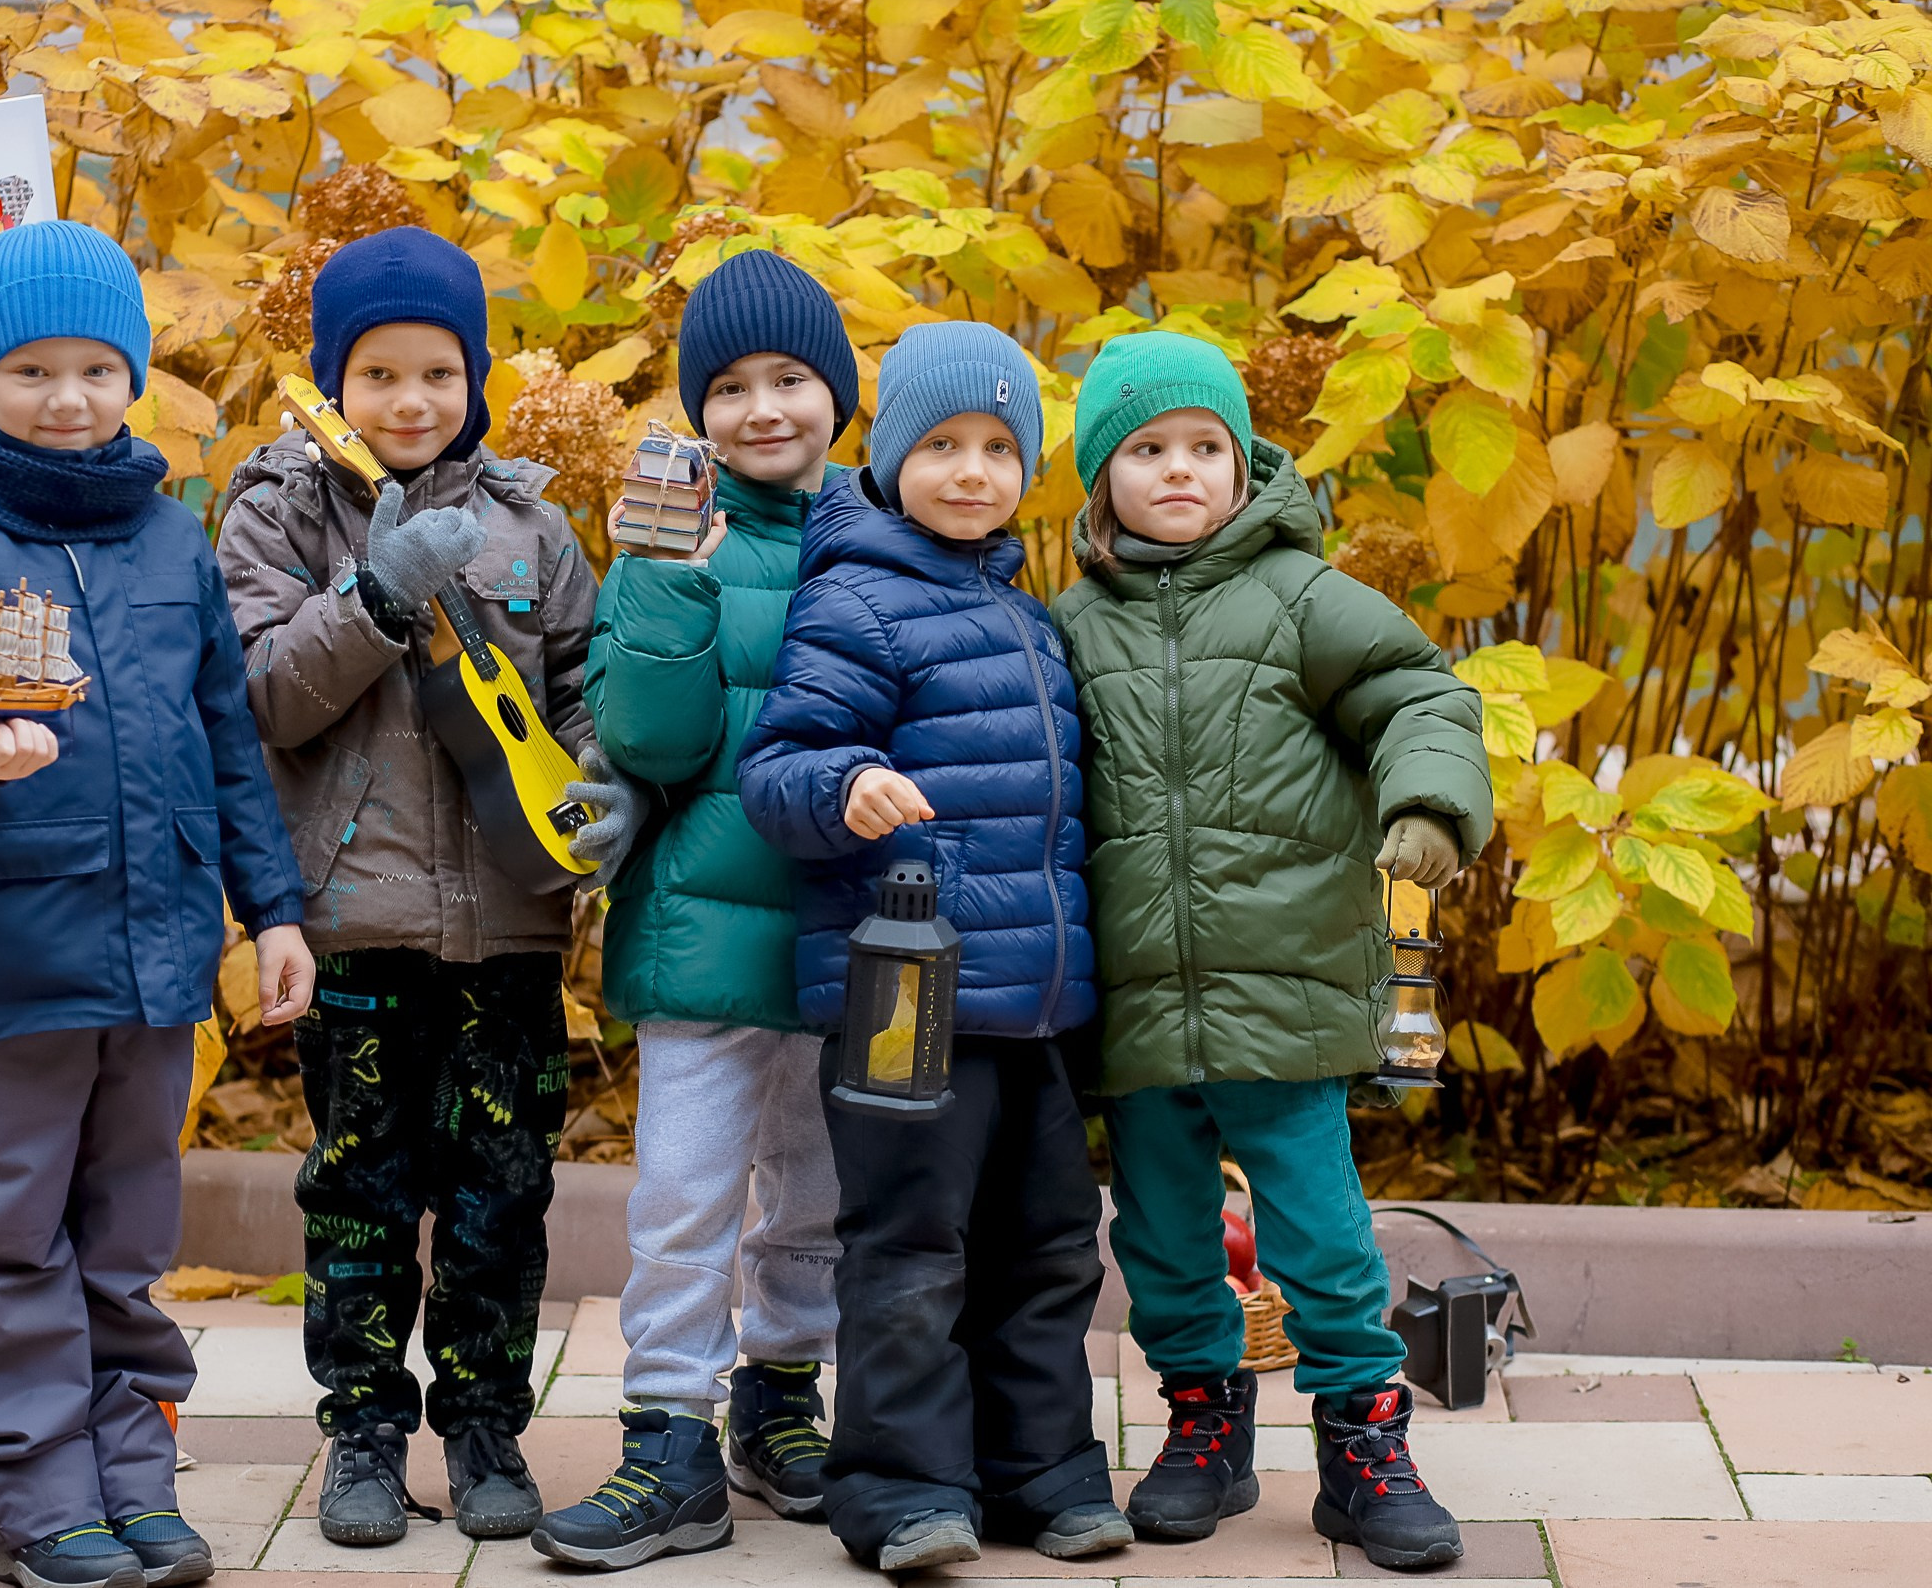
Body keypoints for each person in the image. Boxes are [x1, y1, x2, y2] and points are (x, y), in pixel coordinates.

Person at [0, 219, 312, 1588]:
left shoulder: (172, 535)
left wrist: (270, 909)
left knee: (124, 1237)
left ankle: (130, 1477)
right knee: (4, 1234)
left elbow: (227, 739)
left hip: (160, 956)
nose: (69, 396)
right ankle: (35, 1498)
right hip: (12, 946)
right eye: (33, 369)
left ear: (135, 379)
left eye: (98, 368)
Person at [213, 226, 642, 1548]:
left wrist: (602, 779)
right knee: (358, 1191)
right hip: (356, 925)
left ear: (477, 377)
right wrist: (375, 596)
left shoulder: (529, 522)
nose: (411, 401)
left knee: (503, 1194)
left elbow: (581, 688)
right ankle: (362, 1432)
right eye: (381, 373)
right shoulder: (276, 506)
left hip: (510, 922)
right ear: (336, 379)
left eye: (440, 372)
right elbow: (264, 695)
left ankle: (484, 1422)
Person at [1049, 331, 1494, 1572]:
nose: (1180, 470)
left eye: (1207, 446)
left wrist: (1427, 804)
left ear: (1245, 464)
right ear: (1101, 481)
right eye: (1146, 450)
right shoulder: (1070, 627)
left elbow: (1423, 695)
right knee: (1162, 1232)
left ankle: (1365, 1437)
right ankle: (1205, 1422)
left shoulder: (1303, 597)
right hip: (1138, 998)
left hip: (1285, 982)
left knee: (1318, 1225)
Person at [737, 320, 1133, 1573]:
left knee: (1052, 1243)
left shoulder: (1027, 613)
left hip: (1036, 1004)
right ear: (893, 454)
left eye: (1000, 449)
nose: (972, 472)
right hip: (910, 995)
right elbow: (779, 766)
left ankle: (1046, 1471)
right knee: (911, 1247)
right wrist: (845, 779)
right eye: (944, 446)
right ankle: (904, 1489)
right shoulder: (857, 598)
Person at [531, 250, 855, 1570]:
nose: (764, 407)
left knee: (816, 1193)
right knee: (680, 1196)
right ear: (696, 411)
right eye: (730, 387)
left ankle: (782, 1398)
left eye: (792, 379)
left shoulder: (881, 535)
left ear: (838, 396)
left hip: (837, 933)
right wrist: (661, 580)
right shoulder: (668, 547)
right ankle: (669, 1434)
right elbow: (652, 743)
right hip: (697, 936)